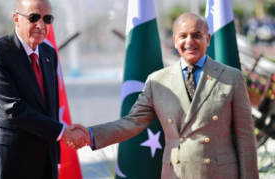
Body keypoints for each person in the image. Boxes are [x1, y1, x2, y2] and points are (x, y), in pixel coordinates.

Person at [68, 13, 259, 178]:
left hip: (220, 174)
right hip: (176, 173)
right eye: (183, 36)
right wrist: (91, 134)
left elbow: (245, 137)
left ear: (208, 39)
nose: (189, 42)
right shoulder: (157, 81)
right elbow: (132, 122)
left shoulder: (231, 77)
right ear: (175, 40)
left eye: (197, 35)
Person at [0, 0, 89, 179]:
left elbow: (51, 108)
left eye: (47, 19)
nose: (41, 24)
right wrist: (62, 131)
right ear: (16, 19)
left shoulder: (48, 53)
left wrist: (56, 161)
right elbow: (13, 108)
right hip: (9, 160)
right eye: (34, 17)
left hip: (45, 161)